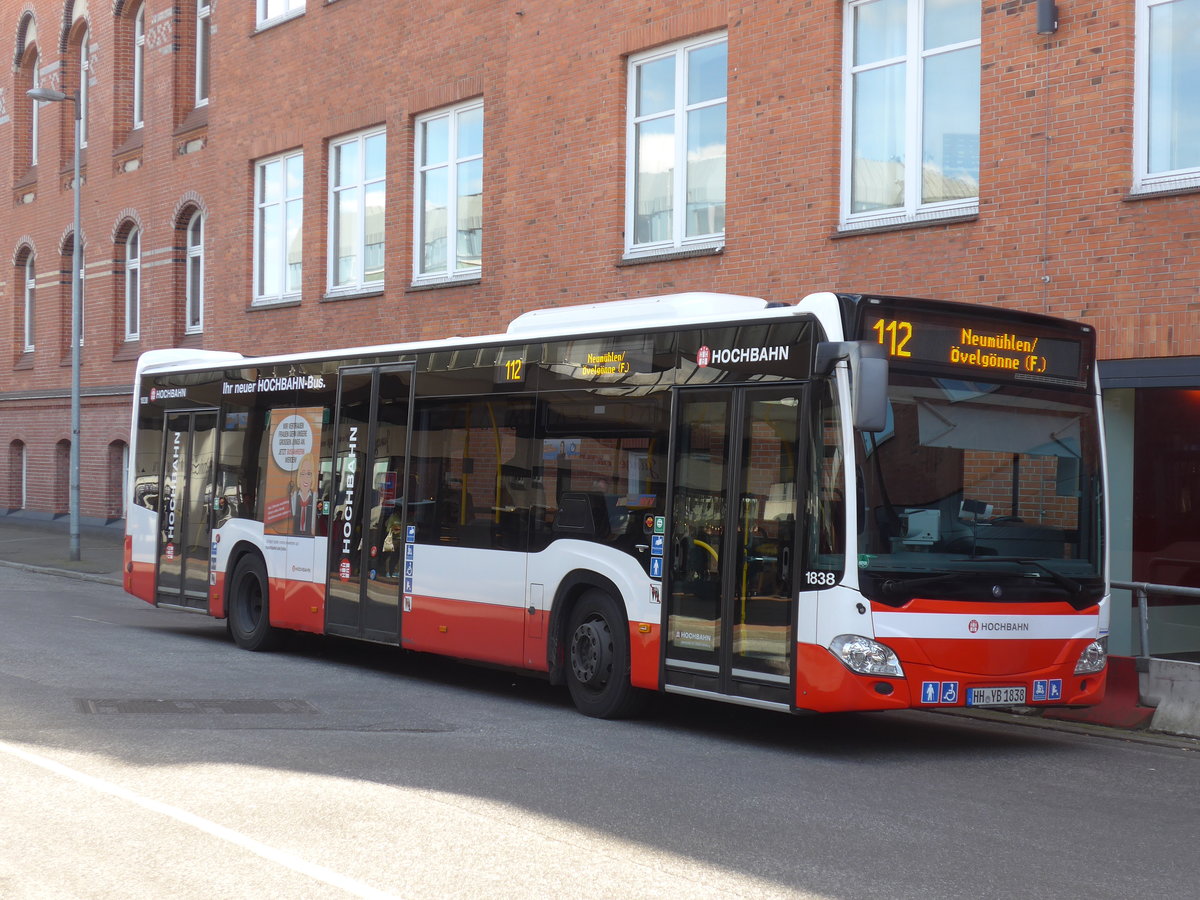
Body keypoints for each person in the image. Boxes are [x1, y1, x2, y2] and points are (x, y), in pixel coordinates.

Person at [291, 452, 317, 535]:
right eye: (302, 473)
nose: (305, 478)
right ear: (299, 476)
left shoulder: (315, 497)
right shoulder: (294, 496)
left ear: (312, 477)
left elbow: (313, 524)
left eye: (309, 474)